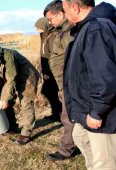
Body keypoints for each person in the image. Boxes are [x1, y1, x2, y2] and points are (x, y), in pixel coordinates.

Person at [62, 0, 116, 169]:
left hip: (103, 117)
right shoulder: (86, 28)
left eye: (64, 10)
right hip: (85, 109)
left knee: (105, 162)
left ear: (75, 8)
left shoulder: (96, 29)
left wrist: (97, 111)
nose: (64, 14)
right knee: (80, 138)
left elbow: (105, 76)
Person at [0, 42, 39, 145]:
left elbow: (12, 79)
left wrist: (6, 99)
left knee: (25, 103)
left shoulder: (8, 55)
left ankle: (26, 134)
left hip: (27, 77)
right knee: (3, 102)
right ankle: (12, 127)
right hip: (10, 79)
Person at [42, 0, 79, 162]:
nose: (49, 22)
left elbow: (75, 61)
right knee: (69, 117)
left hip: (70, 85)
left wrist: (67, 86)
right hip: (64, 84)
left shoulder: (70, 32)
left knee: (67, 117)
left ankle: (66, 150)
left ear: (60, 13)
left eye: (50, 19)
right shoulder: (62, 30)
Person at [35, 17, 62, 122]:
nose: (37, 30)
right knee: (48, 92)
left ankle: (61, 113)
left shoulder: (53, 36)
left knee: (49, 91)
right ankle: (56, 113)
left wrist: (51, 71)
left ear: (44, 26)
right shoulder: (44, 36)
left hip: (52, 70)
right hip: (47, 70)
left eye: (38, 28)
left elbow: (53, 55)